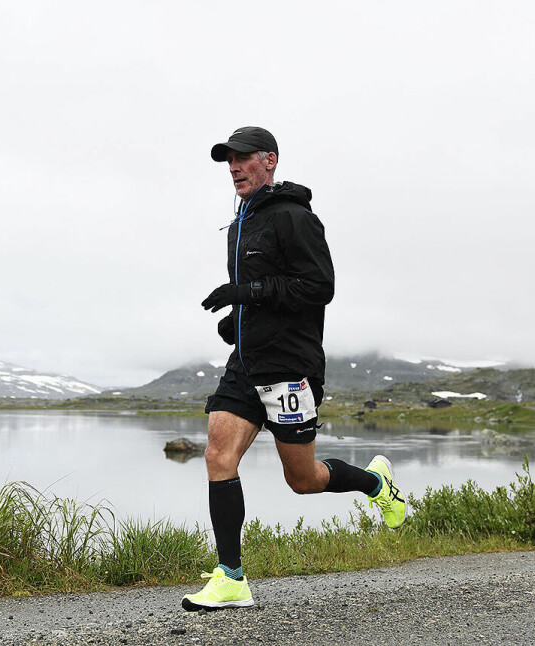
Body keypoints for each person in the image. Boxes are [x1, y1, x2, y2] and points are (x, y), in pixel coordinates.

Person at [182, 126, 407, 612]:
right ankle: (231, 577)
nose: (234, 167)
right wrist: (237, 324)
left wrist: (248, 295)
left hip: (290, 367)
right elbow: (264, 294)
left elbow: (317, 287)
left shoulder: (294, 217)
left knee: (302, 480)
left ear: (271, 160)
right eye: (229, 160)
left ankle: (376, 484)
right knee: (218, 455)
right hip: (247, 362)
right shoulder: (240, 222)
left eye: (243, 158)